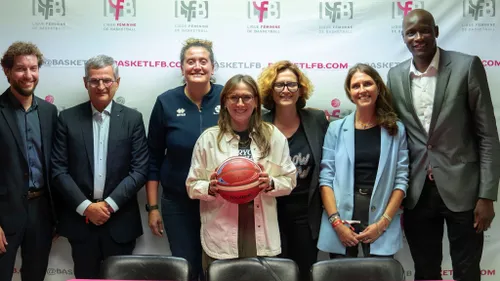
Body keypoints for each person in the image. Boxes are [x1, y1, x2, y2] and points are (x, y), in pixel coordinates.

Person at [386, 9, 500, 281]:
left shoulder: (466, 66)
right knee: (425, 270)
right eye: (410, 32)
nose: (418, 37)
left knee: (467, 270)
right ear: (403, 38)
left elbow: (487, 135)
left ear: (436, 31)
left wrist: (487, 195)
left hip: (464, 190)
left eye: (424, 30)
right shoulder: (395, 76)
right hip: (418, 192)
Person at [186, 74, 297, 272]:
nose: (240, 103)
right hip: (221, 232)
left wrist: (270, 183)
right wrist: (209, 188)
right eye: (233, 97)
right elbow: (192, 185)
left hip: (262, 233)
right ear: (224, 102)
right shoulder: (208, 139)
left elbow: (289, 180)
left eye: (246, 97)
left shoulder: (274, 136)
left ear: (255, 101)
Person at [51, 55, 148, 279]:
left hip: (120, 222)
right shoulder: (67, 118)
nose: (101, 86)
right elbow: (58, 170)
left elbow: (140, 170)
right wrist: (87, 207)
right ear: (85, 82)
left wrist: (108, 205)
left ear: (117, 82)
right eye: (94, 80)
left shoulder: (133, 119)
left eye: (107, 80)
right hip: (81, 222)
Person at [146, 38, 223, 280]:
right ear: (182, 68)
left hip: (221, 202)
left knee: (218, 269)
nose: (197, 66)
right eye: (191, 61)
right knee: (186, 268)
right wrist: (153, 208)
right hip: (178, 203)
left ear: (213, 67)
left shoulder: (229, 97)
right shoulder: (166, 102)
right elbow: (153, 159)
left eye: (203, 61)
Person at [317, 63, 409, 258]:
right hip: (341, 219)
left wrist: (383, 223)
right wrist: (337, 223)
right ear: (350, 93)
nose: (362, 90)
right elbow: (326, 179)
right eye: (356, 86)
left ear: (378, 87)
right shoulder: (336, 129)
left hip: (380, 217)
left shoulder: (395, 129)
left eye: (367, 84)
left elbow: (401, 181)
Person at [258, 60, 328, 281]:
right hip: (269, 210)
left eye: (291, 84)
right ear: (271, 90)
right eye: (279, 85)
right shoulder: (259, 122)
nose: (285, 90)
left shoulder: (316, 120)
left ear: (301, 90)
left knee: (306, 272)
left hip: (306, 213)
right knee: (274, 274)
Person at [0, 41, 58, 281]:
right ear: (7, 71)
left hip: (41, 213)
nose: (28, 75)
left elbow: (56, 167)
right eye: (21, 69)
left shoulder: (49, 112)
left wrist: (56, 216)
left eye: (33, 68)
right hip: (4, 216)